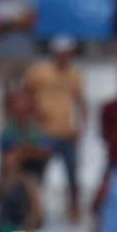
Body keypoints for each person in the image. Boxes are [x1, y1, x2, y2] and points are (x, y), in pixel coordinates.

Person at [24, 37, 85, 221]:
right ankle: (37, 208)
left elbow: (80, 101)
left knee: (73, 173)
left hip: (66, 132)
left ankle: (73, 209)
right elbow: (25, 92)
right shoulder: (39, 71)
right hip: (45, 131)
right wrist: (34, 114)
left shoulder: (74, 74)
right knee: (39, 174)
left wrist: (80, 128)